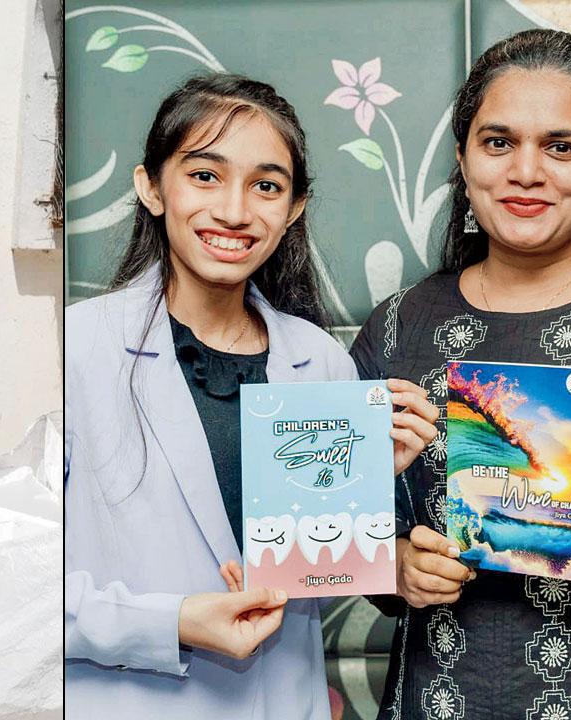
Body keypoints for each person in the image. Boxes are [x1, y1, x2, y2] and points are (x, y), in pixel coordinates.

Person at [349, 28, 571, 719]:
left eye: (561, 147)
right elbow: (344, 537)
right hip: (442, 698)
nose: (526, 172)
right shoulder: (396, 330)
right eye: (499, 142)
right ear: (463, 159)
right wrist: (396, 567)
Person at [64, 73, 438, 720]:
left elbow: (317, 565)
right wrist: (171, 621)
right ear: (151, 187)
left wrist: (365, 487)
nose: (236, 211)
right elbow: (15, 591)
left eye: (266, 186)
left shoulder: (319, 361)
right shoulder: (76, 349)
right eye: (205, 176)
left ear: (292, 209)